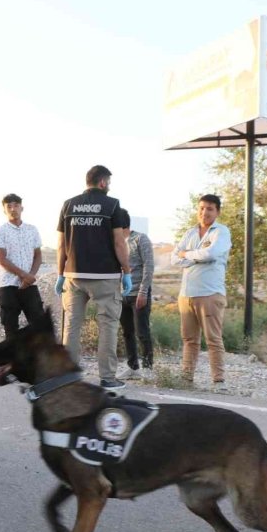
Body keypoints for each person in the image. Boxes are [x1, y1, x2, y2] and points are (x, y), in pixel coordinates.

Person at [55, 165, 132, 391]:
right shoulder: (113, 205)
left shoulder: (68, 205)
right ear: (102, 182)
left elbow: (61, 244)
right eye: (109, 182)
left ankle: (67, 377)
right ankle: (107, 378)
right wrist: (127, 271)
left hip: (74, 275)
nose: (109, 186)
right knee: (108, 326)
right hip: (105, 276)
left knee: (71, 325)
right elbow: (119, 242)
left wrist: (60, 274)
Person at [170, 194, 232, 390]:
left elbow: (211, 253)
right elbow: (174, 258)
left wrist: (187, 255)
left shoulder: (221, 232)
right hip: (187, 294)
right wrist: (197, 258)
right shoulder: (190, 233)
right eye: (202, 208)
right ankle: (186, 378)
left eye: (210, 209)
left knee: (213, 339)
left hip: (209, 293)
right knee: (189, 339)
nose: (205, 212)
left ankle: (218, 381)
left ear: (217, 212)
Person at [0, 193, 45, 338]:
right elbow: (2, 259)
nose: (13, 209)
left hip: (29, 285)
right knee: (10, 328)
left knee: (39, 326)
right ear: (4, 210)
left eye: (16, 205)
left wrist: (30, 277)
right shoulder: (1, 231)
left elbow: (38, 256)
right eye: (9, 206)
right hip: (8, 285)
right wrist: (24, 275)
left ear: (22, 208)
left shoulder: (32, 230)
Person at [116, 211, 155, 379]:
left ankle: (148, 368)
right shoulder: (116, 243)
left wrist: (143, 292)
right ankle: (132, 367)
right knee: (127, 332)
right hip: (121, 294)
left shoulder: (140, 239)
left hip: (139, 293)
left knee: (142, 332)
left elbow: (149, 265)